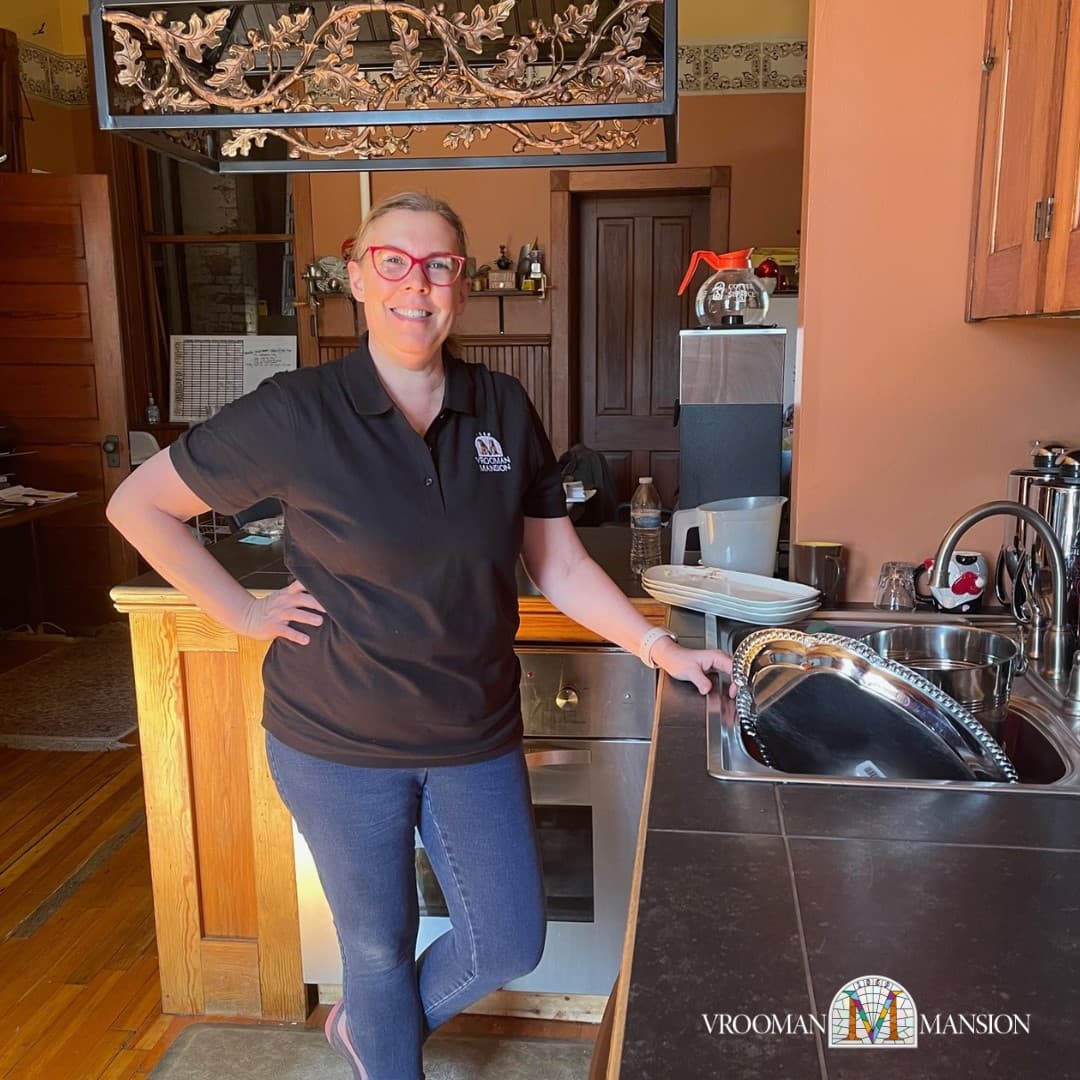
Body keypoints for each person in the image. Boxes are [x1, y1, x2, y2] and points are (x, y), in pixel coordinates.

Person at [106, 191, 732, 1080]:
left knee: (509, 939)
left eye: (439, 266)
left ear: (462, 288)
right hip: (336, 741)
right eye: (393, 262)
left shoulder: (503, 407)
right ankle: (383, 1044)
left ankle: (370, 1030)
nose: (416, 284)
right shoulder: (296, 412)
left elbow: (556, 566)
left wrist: (657, 645)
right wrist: (243, 614)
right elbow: (139, 506)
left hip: (473, 733)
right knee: (376, 954)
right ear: (359, 275)